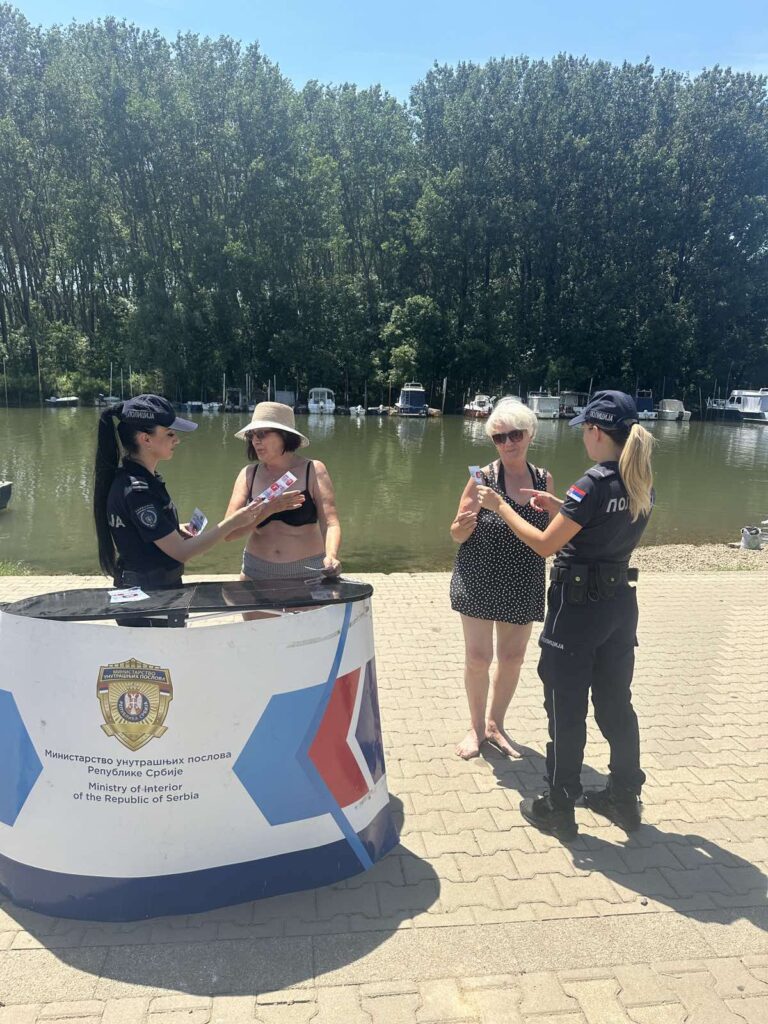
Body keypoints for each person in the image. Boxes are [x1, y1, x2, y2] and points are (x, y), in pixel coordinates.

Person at [476, 391, 655, 840]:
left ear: (596, 431)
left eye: (585, 430)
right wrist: (562, 510)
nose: (584, 439)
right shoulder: (639, 478)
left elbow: (544, 545)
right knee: (616, 703)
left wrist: (500, 506)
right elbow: (604, 530)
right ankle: (624, 796)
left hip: (577, 609)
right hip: (619, 604)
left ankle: (559, 804)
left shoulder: (592, 483)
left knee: (565, 705)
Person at [93, 394, 266, 623]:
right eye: (169, 434)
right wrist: (233, 523)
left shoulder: (142, 480)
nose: (177, 440)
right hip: (147, 600)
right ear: (146, 439)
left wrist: (173, 530)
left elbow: (143, 536)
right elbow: (181, 552)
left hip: (156, 591)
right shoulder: (137, 490)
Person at [450, 398, 553, 760]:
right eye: (499, 437)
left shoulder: (543, 479)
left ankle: (496, 724)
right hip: (478, 575)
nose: (508, 443)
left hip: (522, 577)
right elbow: (456, 533)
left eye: (515, 434)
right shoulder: (481, 478)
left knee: (512, 657)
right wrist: (462, 526)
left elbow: (549, 531)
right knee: (478, 658)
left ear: (530, 434)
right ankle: (476, 727)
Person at [225, 402, 342, 582]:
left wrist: (332, 555)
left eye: (262, 434)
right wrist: (268, 510)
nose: (255, 441)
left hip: (307, 570)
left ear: (284, 435)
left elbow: (330, 523)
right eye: (251, 435)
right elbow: (228, 533)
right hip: (256, 570)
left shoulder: (313, 470)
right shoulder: (248, 474)